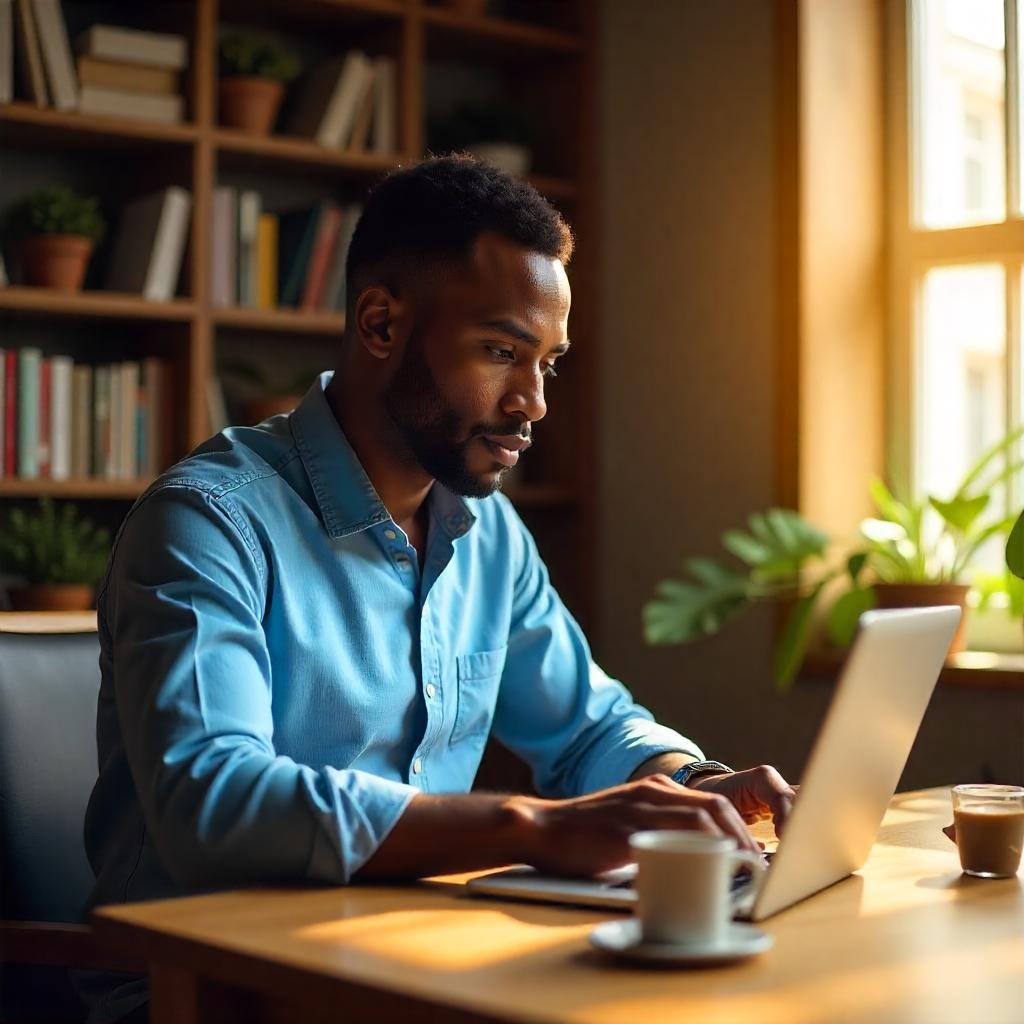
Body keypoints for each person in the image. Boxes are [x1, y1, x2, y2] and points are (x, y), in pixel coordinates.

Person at [81, 154, 794, 1020]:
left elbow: (589, 728)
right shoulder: (207, 522)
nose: (532, 401)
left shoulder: (487, 533)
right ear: (380, 323)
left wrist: (690, 780)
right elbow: (213, 798)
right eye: (501, 352)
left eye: (549, 364)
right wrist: (528, 827)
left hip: (406, 967)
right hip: (203, 992)